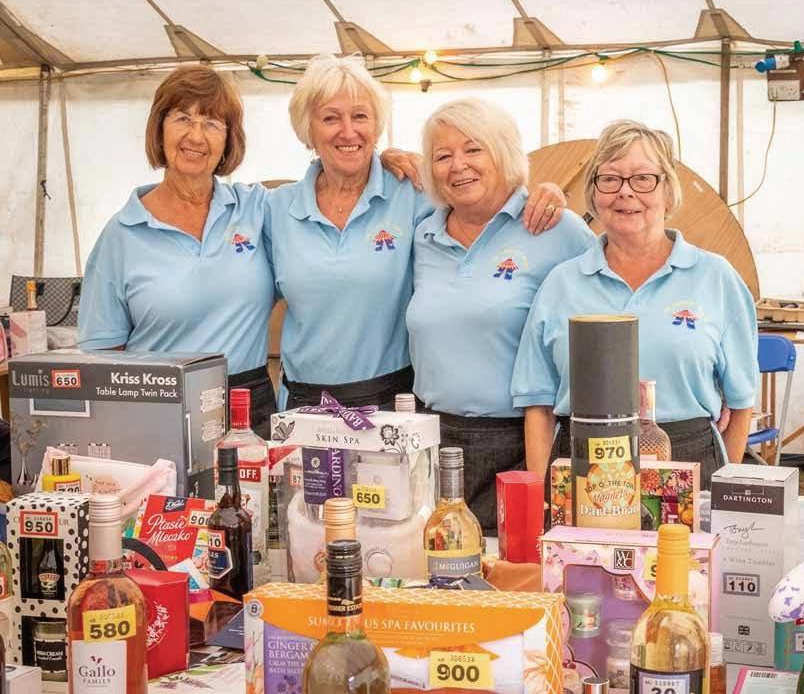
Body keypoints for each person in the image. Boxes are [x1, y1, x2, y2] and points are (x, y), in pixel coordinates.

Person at [267, 56, 567, 412]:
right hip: (302, 405)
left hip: (392, 404)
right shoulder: (276, 209)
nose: (348, 131)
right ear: (307, 130)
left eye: (360, 116)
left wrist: (545, 191)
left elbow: (485, 195)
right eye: (331, 118)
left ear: (377, 126)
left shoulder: (413, 192)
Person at [512, 119, 759, 482]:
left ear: (668, 191)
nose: (625, 192)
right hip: (582, 462)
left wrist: (718, 491)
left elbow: (741, 404)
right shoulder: (561, 284)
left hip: (689, 461)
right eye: (610, 179)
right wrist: (541, 497)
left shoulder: (716, 277)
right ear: (593, 194)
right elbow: (538, 404)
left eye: (643, 179)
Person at [406, 98, 594, 533]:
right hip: (433, 442)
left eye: (474, 149)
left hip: (524, 441)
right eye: (442, 156)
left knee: (512, 564)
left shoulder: (557, 229)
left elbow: (609, 318)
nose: (458, 165)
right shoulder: (423, 235)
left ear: (505, 153)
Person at [78, 65, 278, 436]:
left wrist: (385, 161)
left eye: (212, 123)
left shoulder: (257, 209)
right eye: (183, 118)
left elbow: (325, 195)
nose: (195, 136)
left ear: (229, 140)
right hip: (158, 413)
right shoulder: (121, 234)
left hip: (249, 411)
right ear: (159, 128)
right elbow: (102, 358)